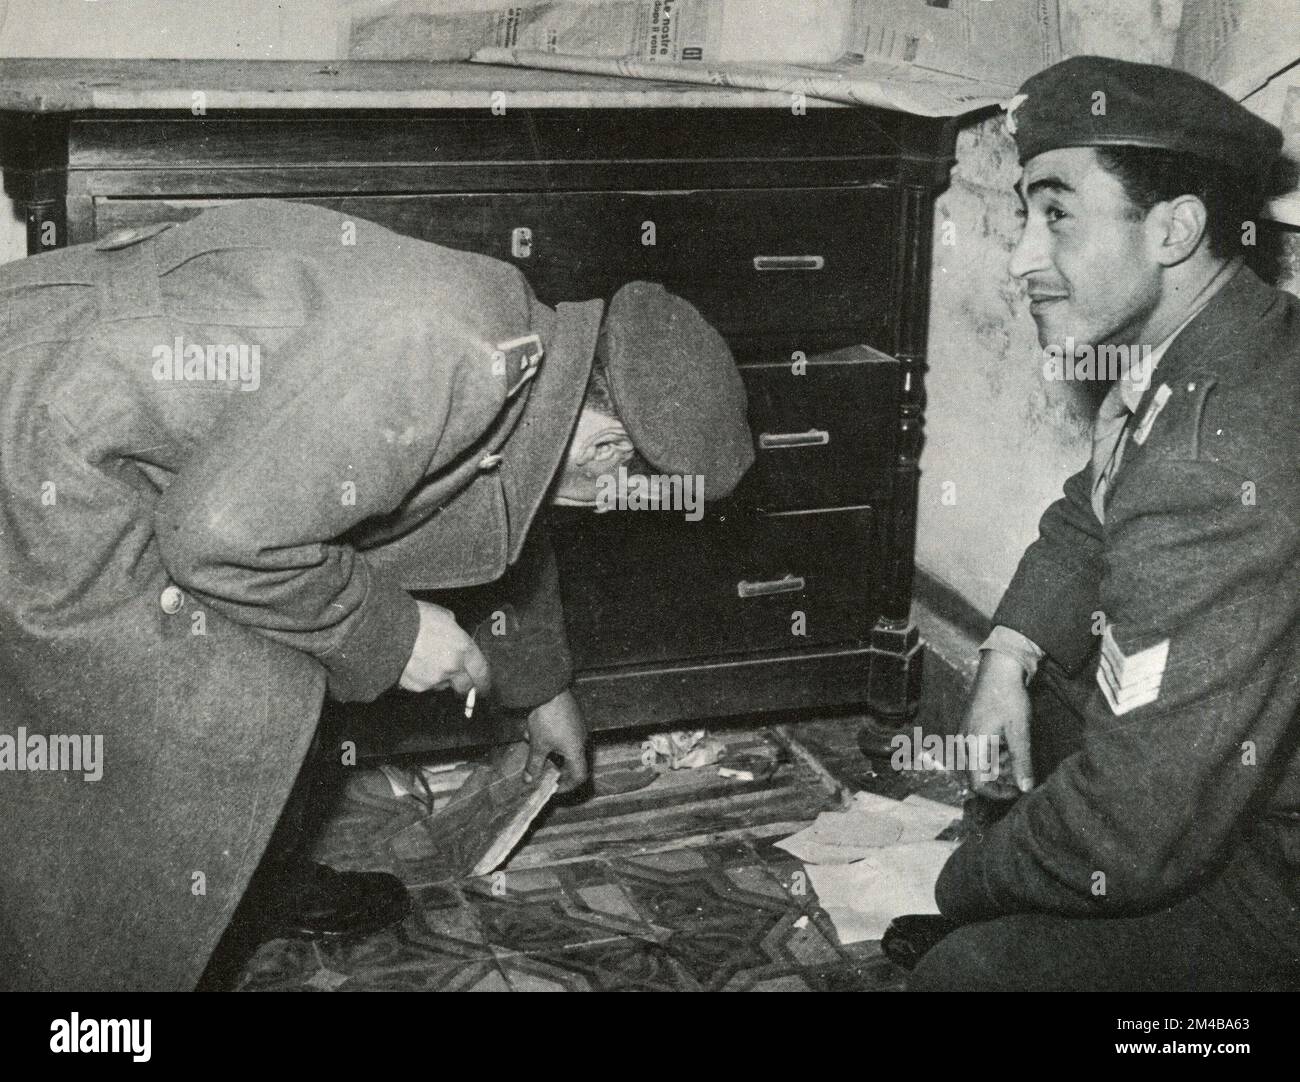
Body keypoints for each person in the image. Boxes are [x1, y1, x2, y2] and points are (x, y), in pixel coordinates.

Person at [0, 198, 754, 991]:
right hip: (44, 434)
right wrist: (395, 636)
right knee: (151, 753)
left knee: (290, 635)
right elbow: (220, 538)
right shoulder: (451, 356)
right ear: (608, 446)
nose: (600, 505)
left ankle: (239, 878)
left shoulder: (521, 345)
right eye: (612, 489)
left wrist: (540, 689)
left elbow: (502, 505)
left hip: (91, 403)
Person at [903, 56, 1300, 991]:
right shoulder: (1229, 333)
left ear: (1173, 228)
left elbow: (1131, 828)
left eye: (1057, 216)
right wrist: (1005, 655)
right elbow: (1093, 507)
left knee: (963, 977)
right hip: (1240, 771)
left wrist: (961, 885)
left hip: (1278, 863)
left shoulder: (1215, 458)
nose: (1019, 259)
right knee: (1046, 696)